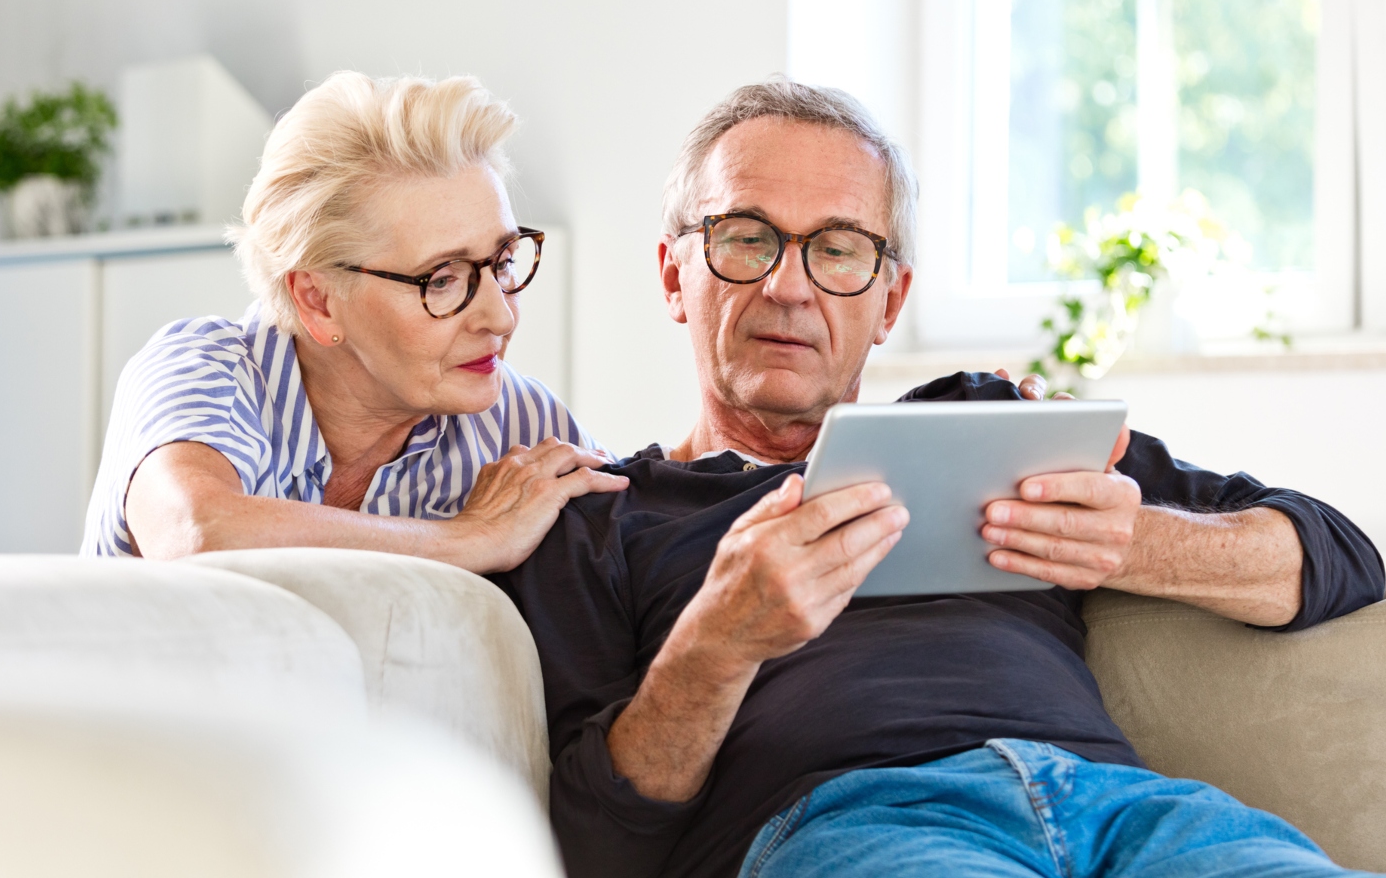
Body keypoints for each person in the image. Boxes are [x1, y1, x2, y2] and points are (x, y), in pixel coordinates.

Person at [493, 80, 1385, 878]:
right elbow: (591, 845)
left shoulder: (995, 420)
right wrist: (716, 645)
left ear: (889, 300)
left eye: (838, 249)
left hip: (1124, 809)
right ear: (673, 274)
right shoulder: (599, 516)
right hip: (857, 822)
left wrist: (1137, 542)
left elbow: (1343, 559)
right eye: (746, 237)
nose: (788, 287)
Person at [82, 72, 627, 570]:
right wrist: (470, 539)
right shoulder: (202, 370)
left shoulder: (523, 425)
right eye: (441, 279)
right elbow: (198, 534)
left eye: (504, 262)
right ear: (318, 300)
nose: (500, 316)